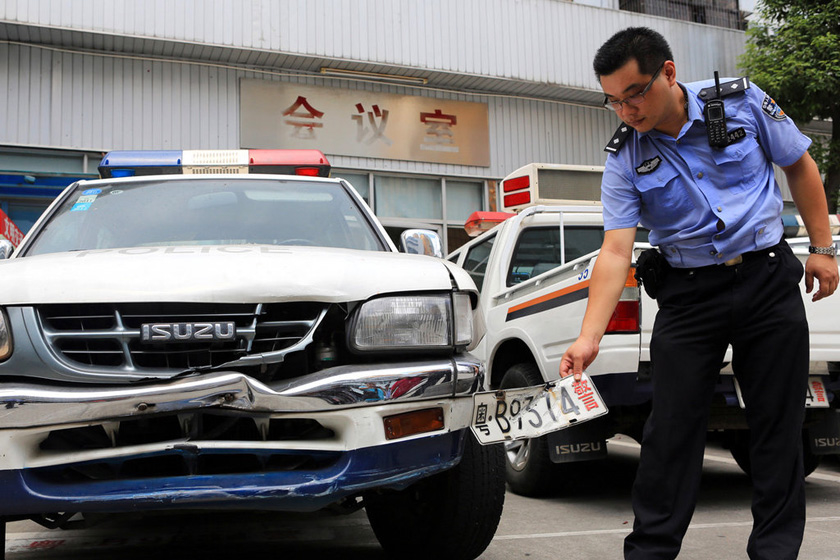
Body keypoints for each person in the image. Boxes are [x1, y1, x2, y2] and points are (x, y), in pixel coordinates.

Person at [559, 27, 839, 560]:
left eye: (634, 93)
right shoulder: (624, 157)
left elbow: (799, 163)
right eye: (613, 100)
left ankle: (776, 553)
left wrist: (822, 247)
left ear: (667, 72)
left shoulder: (743, 101)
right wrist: (589, 337)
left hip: (765, 279)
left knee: (777, 428)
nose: (626, 110)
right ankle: (650, 552)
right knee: (670, 432)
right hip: (688, 295)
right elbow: (616, 251)